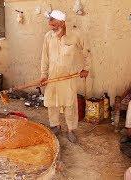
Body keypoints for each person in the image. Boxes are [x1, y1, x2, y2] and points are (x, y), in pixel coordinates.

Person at [40, 10, 90, 143]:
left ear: (62, 22)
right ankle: (55, 125)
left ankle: (71, 129)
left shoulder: (75, 35)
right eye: (50, 24)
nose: (51, 26)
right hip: (52, 77)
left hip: (68, 77)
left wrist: (86, 68)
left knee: (69, 104)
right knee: (52, 102)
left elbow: (87, 52)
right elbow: (44, 57)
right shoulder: (48, 37)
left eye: (54, 23)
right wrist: (43, 75)